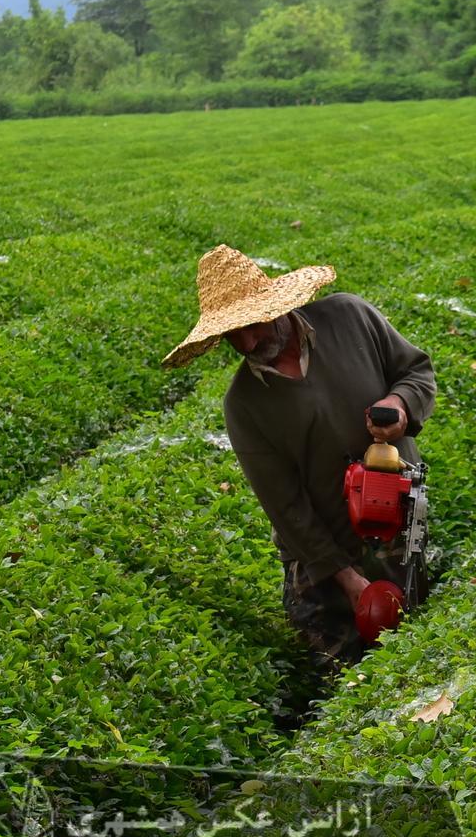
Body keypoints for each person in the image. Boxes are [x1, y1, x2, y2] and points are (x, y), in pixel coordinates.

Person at [162, 246, 437, 668]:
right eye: (233, 334)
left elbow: (417, 371)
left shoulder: (352, 319)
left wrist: (400, 406)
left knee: (415, 642)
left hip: (398, 521)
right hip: (323, 554)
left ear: (278, 305)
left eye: (253, 324)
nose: (248, 341)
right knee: (340, 669)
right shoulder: (245, 405)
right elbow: (287, 508)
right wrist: (348, 580)